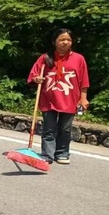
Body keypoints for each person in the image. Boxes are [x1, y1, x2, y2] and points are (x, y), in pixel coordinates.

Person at [28, 28, 90, 165]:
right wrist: (37, 79)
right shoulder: (45, 58)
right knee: (49, 129)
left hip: (70, 99)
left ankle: (62, 153)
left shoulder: (79, 59)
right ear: (54, 41)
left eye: (68, 40)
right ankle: (47, 155)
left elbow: (84, 81)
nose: (65, 42)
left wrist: (83, 98)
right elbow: (34, 75)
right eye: (62, 39)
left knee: (65, 129)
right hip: (49, 99)